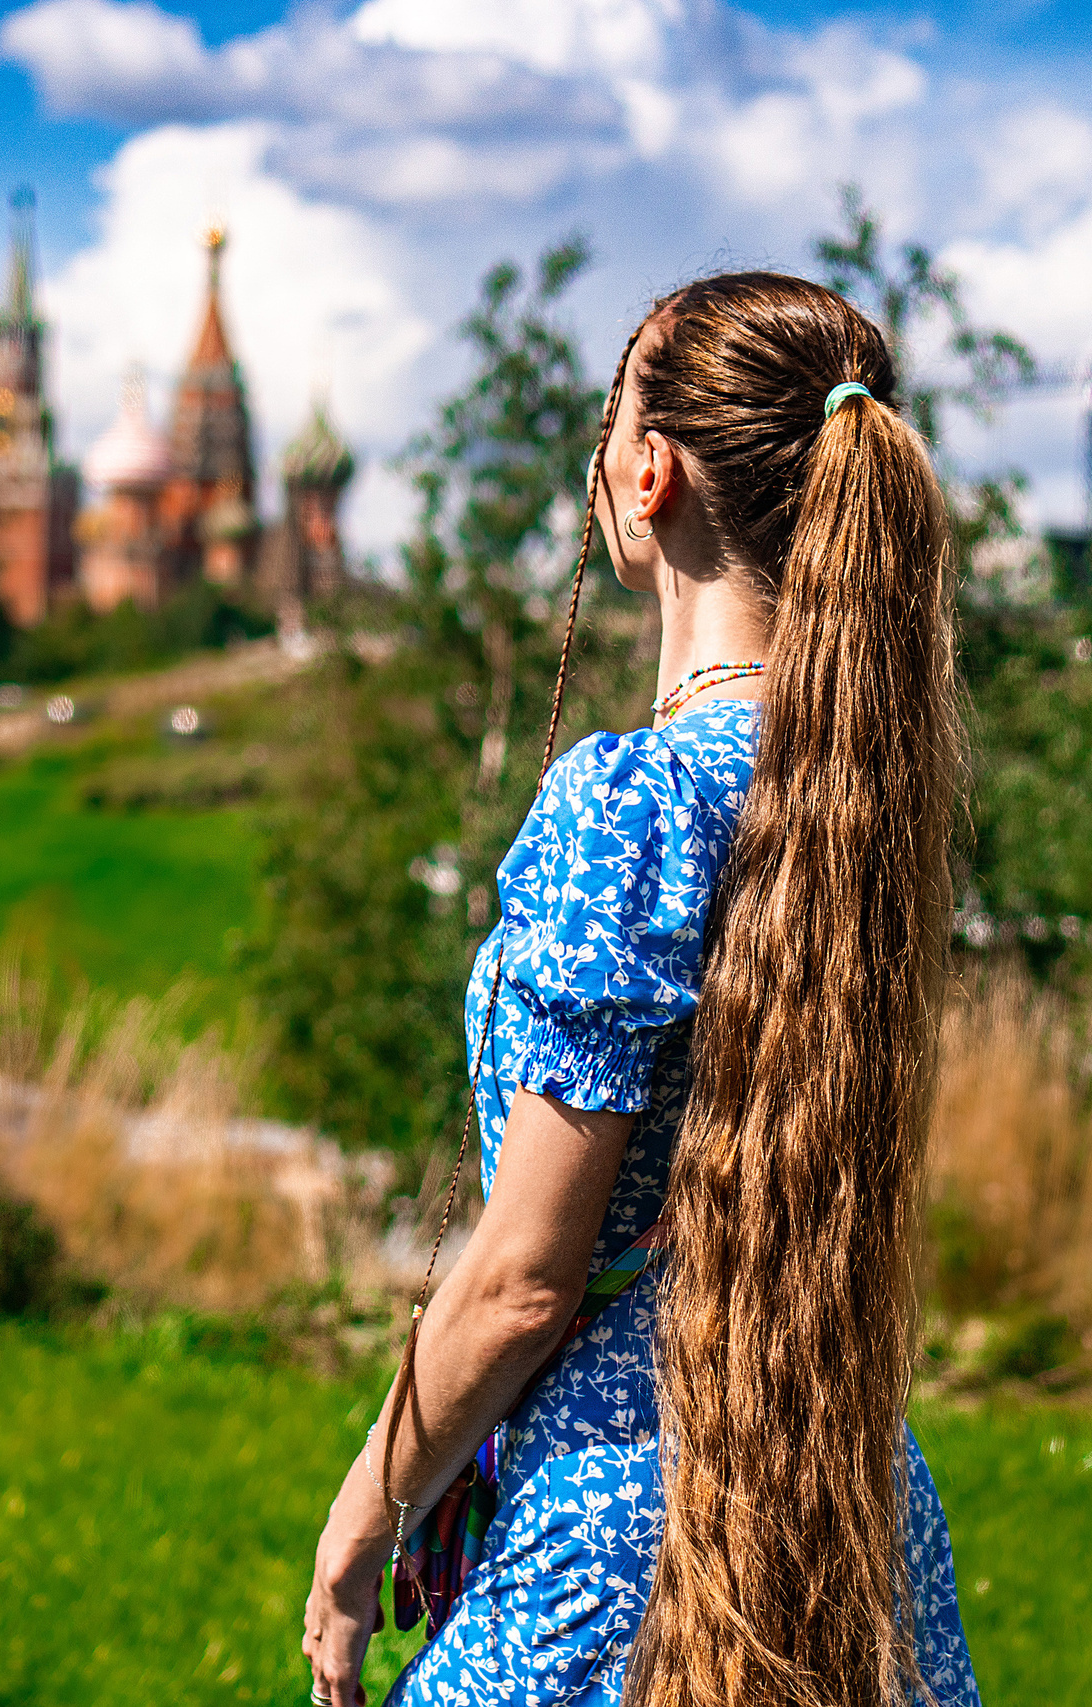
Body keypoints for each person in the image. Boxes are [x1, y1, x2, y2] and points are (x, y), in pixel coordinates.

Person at [300, 272, 982, 1707]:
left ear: (648, 469)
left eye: (609, 420)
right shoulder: (861, 796)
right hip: (842, 1507)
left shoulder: (632, 800)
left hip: (620, 1543)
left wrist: (364, 1520)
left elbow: (523, 1281)